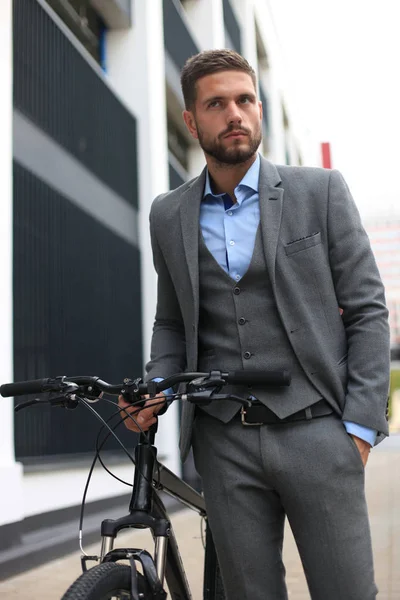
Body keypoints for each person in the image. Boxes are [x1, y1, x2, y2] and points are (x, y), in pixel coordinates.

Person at [119, 49, 390, 599]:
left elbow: (367, 310)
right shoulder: (168, 214)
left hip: (317, 430)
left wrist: (359, 430)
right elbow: (172, 321)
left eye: (245, 100)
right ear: (192, 121)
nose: (234, 114)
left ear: (260, 109)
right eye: (216, 104)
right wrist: (157, 387)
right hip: (224, 441)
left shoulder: (320, 191)